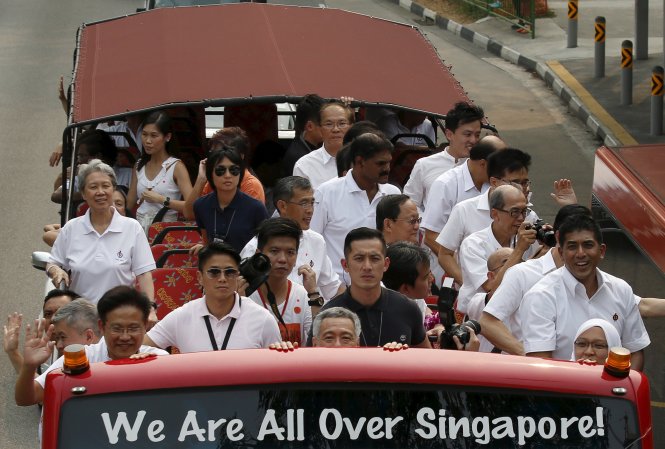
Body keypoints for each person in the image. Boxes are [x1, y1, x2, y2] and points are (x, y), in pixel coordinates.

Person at [520, 214, 650, 370]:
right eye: (572, 246)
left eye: (588, 245)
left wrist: (621, 390)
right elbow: (541, 364)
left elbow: (634, 352)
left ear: (602, 251)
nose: (580, 253)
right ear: (561, 253)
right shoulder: (541, 297)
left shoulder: (621, 290)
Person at [15, 286, 168, 407]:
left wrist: (147, 370)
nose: (125, 337)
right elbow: (27, 398)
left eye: (133, 328)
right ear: (101, 326)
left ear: (145, 326)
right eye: (117, 328)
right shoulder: (80, 357)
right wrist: (29, 366)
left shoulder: (159, 360)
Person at [480, 204, 591, 356]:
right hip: (528, 374)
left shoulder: (597, 280)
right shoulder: (522, 274)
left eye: (589, 243)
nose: (581, 252)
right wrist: (528, 355)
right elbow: (488, 322)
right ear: (558, 237)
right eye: (574, 243)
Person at [46, 160, 156, 305]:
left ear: (113, 190)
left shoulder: (132, 227)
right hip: (81, 315)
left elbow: (144, 274)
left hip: (118, 314)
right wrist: (55, 270)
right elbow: (53, 262)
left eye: (106, 186)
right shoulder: (71, 228)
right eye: (93, 187)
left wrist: (150, 308)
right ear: (84, 194)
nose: (100, 192)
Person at [145, 242, 281, 352]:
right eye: (214, 272)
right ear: (200, 277)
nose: (222, 279)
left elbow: (277, 365)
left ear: (237, 275)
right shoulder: (183, 316)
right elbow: (141, 347)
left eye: (230, 272)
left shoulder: (262, 319)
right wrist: (163, 355)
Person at [308, 228, 430, 348]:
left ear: (386, 264)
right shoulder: (327, 316)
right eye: (359, 258)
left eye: (375, 258)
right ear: (345, 265)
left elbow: (426, 360)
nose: (367, 266)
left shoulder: (408, 308)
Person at [436, 148, 539, 284]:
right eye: (515, 182)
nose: (523, 188)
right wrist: (469, 282)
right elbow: (445, 254)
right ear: (494, 182)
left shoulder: (530, 215)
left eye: (525, 182)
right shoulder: (464, 210)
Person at [310, 133, 401, 281]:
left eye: (389, 162)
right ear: (360, 162)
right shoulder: (326, 193)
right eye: (380, 163)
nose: (387, 168)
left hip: (382, 288)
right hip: (336, 289)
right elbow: (312, 242)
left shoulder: (393, 193)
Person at [240, 176, 344, 301]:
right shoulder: (255, 247)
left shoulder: (317, 241)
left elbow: (334, 289)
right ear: (282, 206)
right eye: (304, 203)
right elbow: (242, 295)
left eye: (312, 203)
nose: (310, 210)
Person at [456, 185, 538, 314]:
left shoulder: (526, 237)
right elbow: (491, 287)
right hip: (477, 316)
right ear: (495, 214)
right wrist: (519, 250)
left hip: (515, 312)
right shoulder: (473, 244)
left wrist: (544, 250)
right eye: (514, 212)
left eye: (524, 211)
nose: (521, 218)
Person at [421, 141, 495, 264]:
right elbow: (430, 237)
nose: (504, 169)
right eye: (500, 165)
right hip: (451, 272)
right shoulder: (445, 184)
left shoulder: (497, 183)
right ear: (483, 164)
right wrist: (461, 269)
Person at [403, 102, 484, 212]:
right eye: (467, 134)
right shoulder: (424, 165)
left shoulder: (482, 168)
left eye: (477, 135)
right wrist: (425, 222)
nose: (473, 140)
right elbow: (410, 203)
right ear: (449, 134)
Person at [191, 146, 269, 253]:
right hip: (215, 265)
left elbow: (267, 245)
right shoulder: (200, 205)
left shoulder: (256, 208)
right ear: (210, 174)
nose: (228, 175)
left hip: (245, 266)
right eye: (220, 170)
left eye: (234, 170)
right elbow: (206, 241)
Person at [249, 218, 313, 345]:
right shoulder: (245, 295)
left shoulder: (303, 294)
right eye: (274, 251)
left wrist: (313, 294)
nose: (283, 259)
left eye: (290, 252)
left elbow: (318, 341)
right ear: (258, 255)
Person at [127, 111, 193, 233]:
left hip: (165, 234)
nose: (147, 141)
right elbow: (128, 204)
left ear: (167, 137)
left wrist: (161, 199)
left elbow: (191, 207)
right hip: (139, 231)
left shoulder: (176, 167)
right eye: (144, 134)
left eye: (154, 136)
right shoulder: (138, 166)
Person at [184, 127, 266, 222]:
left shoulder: (251, 185)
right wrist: (201, 179)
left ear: (240, 156)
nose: (227, 176)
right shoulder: (213, 181)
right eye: (214, 153)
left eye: (225, 152)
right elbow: (189, 214)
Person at [3, 290, 79, 374]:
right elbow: (41, 385)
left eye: (61, 312)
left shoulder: (92, 352)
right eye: (48, 314)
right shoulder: (45, 355)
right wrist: (12, 351)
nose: (53, 319)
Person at [293, 100, 354, 189]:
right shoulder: (304, 165)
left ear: (351, 127)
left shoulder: (364, 160)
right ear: (320, 129)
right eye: (329, 124)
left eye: (342, 123)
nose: (335, 129)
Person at [43, 187, 130, 246]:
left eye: (119, 204)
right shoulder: (81, 226)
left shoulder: (133, 229)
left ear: (125, 210)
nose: (113, 207)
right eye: (109, 203)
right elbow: (48, 235)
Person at [281, 94, 324, 177]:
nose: (333, 129)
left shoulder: (318, 145)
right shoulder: (298, 158)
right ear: (310, 126)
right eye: (327, 124)